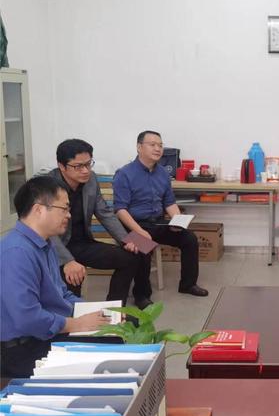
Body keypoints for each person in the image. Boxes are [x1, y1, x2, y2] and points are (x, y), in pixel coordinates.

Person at [0, 176, 112, 377]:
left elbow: (61, 294)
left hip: (48, 331)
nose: (69, 215)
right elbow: (28, 318)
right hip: (24, 348)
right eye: (64, 208)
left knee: (123, 323)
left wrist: (94, 311)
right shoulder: (17, 252)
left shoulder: (46, 243)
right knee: (113, 343)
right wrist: (77, 324)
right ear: (39, 210)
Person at [49, 139, 151, 308]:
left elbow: (105, 213)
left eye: (88, 164)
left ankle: (115, 310)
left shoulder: (91, 180)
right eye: (78, 166)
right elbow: (45, 231)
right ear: (61, 166)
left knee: (139, 249)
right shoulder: (47, 186)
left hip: (83, 243)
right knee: (72, 287)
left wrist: (126, 239)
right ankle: (75, 317)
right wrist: (67, 261)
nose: (85, 170)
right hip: (56, 249)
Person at [112, 130, 208, 297]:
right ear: (139, 147)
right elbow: (120, 210)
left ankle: (188, 285)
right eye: (152, 145)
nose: (158, 149)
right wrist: (140, 232)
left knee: (189, 239)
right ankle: (142, 295)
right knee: (143, 246)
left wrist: (178, 221)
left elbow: (169, 202)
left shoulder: (163, 173)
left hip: (157, 222)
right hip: (132, 225)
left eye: (160, 145)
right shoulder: (124, 174)